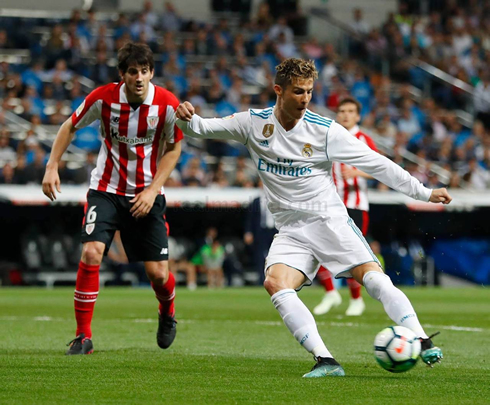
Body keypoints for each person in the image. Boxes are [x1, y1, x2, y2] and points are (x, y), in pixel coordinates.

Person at [175, 58, 450, 377]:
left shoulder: (325, 131)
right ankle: (326, 361)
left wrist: (423, 192)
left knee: (373, 278)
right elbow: (202, 127)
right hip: (291, 230)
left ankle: (422, 338)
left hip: (328, 221)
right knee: (275, 283)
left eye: (309, 91)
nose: (305, 98)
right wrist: (185, 118)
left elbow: (377, 164)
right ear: (278, 90)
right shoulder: (252, 123)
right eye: (297, 91)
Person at [41, 42, 182, 355]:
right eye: (133, 71)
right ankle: (83, 336)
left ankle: (167, 311)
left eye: (145, 71)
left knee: (158, 275)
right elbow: (69, 126)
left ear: (152, 73)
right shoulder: (104, 98)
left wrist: (152, 188)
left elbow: (174, 149)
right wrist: (52, 166)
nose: (139, 77)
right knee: (91, 253)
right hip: (105, 190)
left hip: (147, 194)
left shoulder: (166, 104)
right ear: (123, 75)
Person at [313, 97, 377, 317]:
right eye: (342, 111)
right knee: (317, 246)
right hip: (330, 204)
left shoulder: (363, 139)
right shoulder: (331, 137)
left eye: (351, 111)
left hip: (356, 206)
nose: (346, 115)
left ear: (358, 116)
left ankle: (356, 299)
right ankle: (331, 293)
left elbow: (381, 168)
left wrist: (358, 172)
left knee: (352, 254)